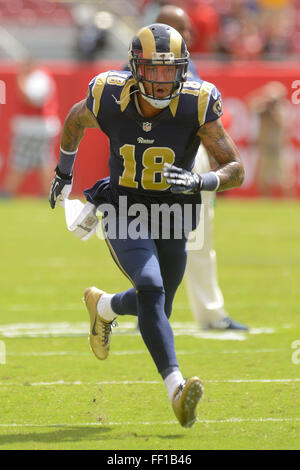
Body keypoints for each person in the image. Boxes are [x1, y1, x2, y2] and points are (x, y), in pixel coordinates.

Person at [49, 23, 244, 428]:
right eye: (153, 70)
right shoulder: (109, 94)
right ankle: (175, 389)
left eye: (169, 70)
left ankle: (103, 305)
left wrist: (202, 180)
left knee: (160, 307)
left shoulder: (196, 103)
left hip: (175, 212)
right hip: (125, 206)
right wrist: (65, 172)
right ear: (136, 68)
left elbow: (235, 168)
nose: (161, 79)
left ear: (183, 69)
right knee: (151, 288)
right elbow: (74, 119)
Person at [156, 4, 248, 330]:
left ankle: (209, 313)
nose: (191, 36)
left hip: (191, 158)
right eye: (184, 29)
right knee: (146, 238)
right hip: (157, 159)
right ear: (163, 29)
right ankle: (144, 308)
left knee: (198, 237)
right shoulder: (142, 67)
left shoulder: (187, 64)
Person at [3, 59, 60, 197]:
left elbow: (31, 99)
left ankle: (7, 192)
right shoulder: (39, 77)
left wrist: (21, 80)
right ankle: (49, 192)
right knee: (44, 160)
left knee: (19, 160)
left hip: (34, 128)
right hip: (38, 127)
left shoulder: (38, 78)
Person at [247, 81, 295, 197]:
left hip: (280, 150)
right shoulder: (262, 109)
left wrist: (273, 109)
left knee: (286, 180)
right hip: (266, 149)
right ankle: (265, 200)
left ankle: (289, 202)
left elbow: (282, 123)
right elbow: (249, 104)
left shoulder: (283, 108)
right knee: (263, 179)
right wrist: (263, 97)